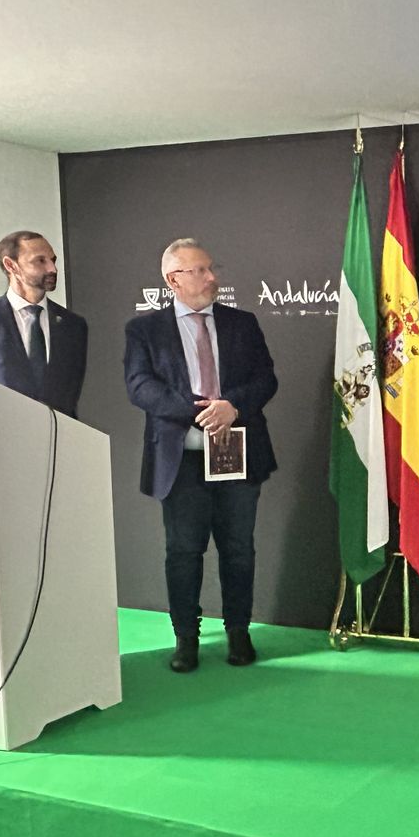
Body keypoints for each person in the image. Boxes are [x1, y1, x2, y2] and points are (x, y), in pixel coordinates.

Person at [124, 238, 278, 673]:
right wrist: (199, 411)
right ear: (173, 279)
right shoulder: (144, 330)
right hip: (181, 462)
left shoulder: (242, 323)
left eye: (212, 269)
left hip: (238, 457)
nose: (212, 278)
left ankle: (238, 633)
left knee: (238, 550)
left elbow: (266, 379)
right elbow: (140, 386)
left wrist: (233, 407)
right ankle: (186, 639)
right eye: (200, 271)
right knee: (183, 552)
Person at [0, 230, 88, 418]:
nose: (53, 269)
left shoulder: (74, 326)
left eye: (53, 260)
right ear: (11, 265)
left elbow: (70, 399)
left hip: (59, 442)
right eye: (40, 261)